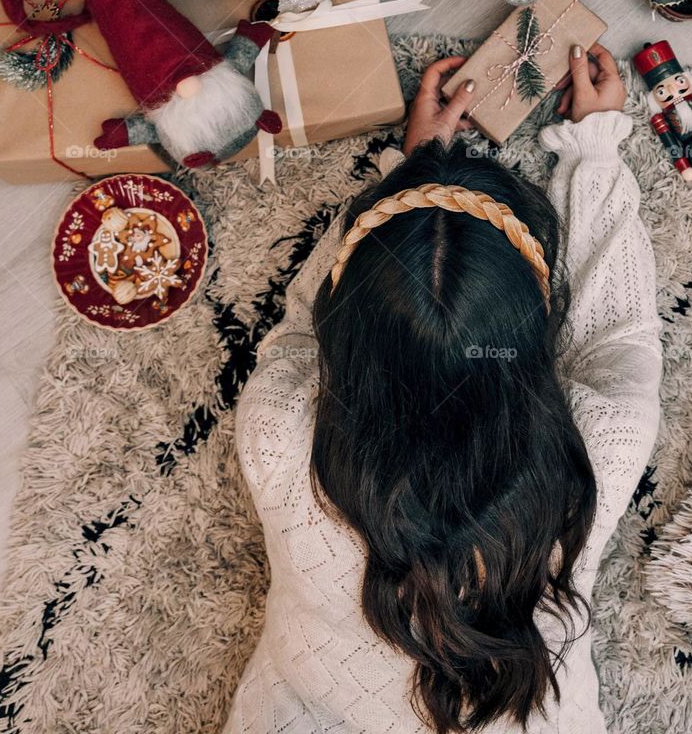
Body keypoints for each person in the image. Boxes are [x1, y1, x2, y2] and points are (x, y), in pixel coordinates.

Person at [223, 43, 662, 734]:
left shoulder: (278, 424)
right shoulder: (601, 447)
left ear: (350, 319)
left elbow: (303, 324)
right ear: (529, 324)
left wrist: (409, 180)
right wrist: (593, 152)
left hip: (309, 708)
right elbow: (618, 334)